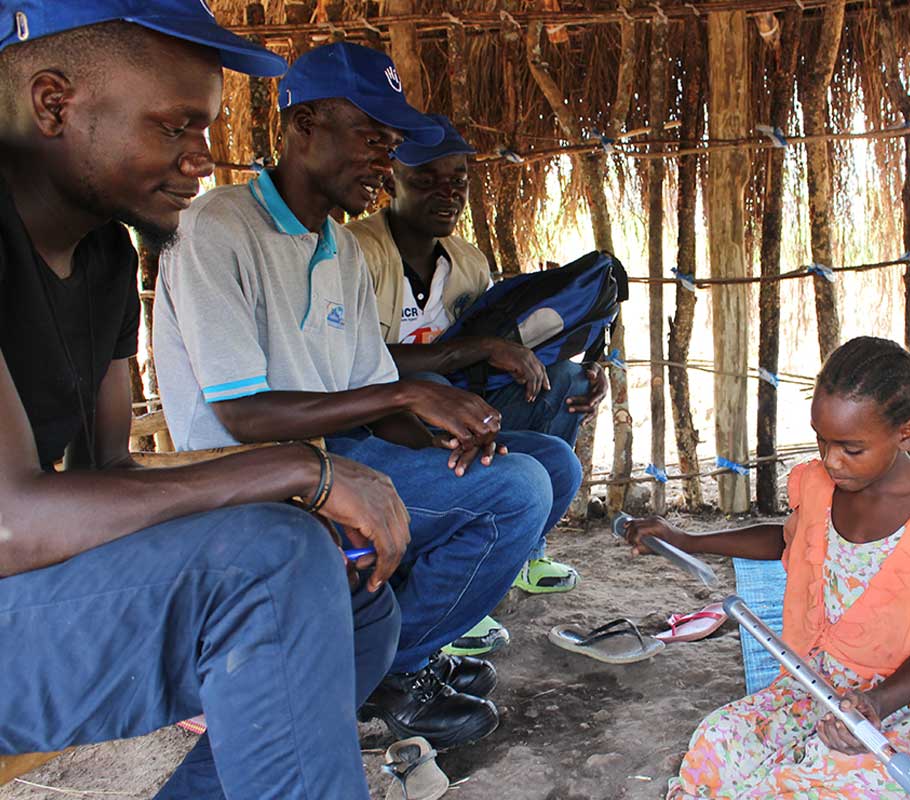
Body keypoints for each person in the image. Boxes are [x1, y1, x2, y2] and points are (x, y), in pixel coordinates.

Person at [0, 4, 408, 799]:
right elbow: (12, 521)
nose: (202, 156)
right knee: (272, 562)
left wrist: (298, 495)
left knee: (353, 598)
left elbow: (107, 473)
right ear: (53, 103)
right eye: (176, 126)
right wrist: (299, 471)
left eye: (207, 127)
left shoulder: (105, 259)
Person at [153, 43, 568, 749]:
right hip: (252, 472)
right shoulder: (218, 228)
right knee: (517, 491)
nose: (385, 159)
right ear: (305, 124)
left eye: (390, 142)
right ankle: (379, 671)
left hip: (332, 449)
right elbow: (241, 414)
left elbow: (366, 392)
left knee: (548, 461)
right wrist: (409, 395)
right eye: (372, 137)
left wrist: (443, 433)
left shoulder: (337, 247)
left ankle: (385, 650)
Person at [624, 337, 910, 798]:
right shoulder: (821, 485)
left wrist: (875, 703)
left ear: (906, 432)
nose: (830, 460)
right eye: (822, 441)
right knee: (716, 745)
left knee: (839, 782)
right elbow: (787, 539)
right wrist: (687, 540)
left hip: (900, 697)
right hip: (815, 682)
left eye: (850, 448)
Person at [346, 116, 604, 600]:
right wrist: (476, 350)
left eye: (458, 181)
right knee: (448, 400)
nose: (447, 193)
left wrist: (577, 369)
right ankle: (452, 579)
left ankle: (516, 556)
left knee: (563, 384)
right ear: (390, 180)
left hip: (456, 405)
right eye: (425, 181)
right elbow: (352, 361)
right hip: (374, 414)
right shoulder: (354, 253)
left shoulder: (467, 261)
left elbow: (489, 347)